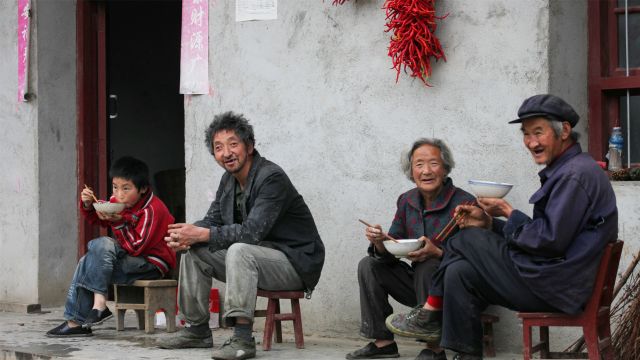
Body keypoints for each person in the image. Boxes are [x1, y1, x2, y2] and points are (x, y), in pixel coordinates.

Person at [385, 94, 618, 359]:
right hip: (558, 280)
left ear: (564, 130)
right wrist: (490, 223)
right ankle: (465, 352)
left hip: (556, 287)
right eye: (526, 134)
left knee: (467, 237)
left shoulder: (574, 175)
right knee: (459, 272)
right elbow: (552, 233)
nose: (531, 142)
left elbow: (551, 241)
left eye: (538, 132)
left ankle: (429, 312)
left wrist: (510, 213)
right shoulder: (570, 170)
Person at [160, 111, 325, 360]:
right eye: (218, 147)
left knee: (239, 249)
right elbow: (212, 221)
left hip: (294, 263)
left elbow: (252, 232)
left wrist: (202, 233)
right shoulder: (228, 181)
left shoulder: (271, 177)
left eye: (233, 144)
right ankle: (197, 330)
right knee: (194, 251)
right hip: (257, 260)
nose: (226, 153)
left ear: (249, 146)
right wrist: (186, 234)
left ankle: (242, 338)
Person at [346, 139, 475, 360]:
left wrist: (438, 253)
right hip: (419, 286)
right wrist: (379, 241)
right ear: (411, 170)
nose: (426, 171)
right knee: (369, 265)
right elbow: (394, 244)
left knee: (428, 264)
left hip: (455, 290)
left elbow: (477, 257)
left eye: (433, 163)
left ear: (445, 168)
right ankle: (383, 342)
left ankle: (435, 348)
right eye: (419, 164)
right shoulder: (406, 201)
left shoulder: (465, 203)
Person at [46, 156, 176, 337]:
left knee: (94, 254)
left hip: (151, 263)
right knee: (91, 257)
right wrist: (88, 205)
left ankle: (77, 319)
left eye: (126, 188)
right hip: (130, 258)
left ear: (143, 189)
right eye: (115, 187)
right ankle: (95, 307)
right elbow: (95, 218)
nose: (119, 194)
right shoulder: (119, 202)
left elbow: (136, 247)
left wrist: (119, 223)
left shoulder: (153, 209)